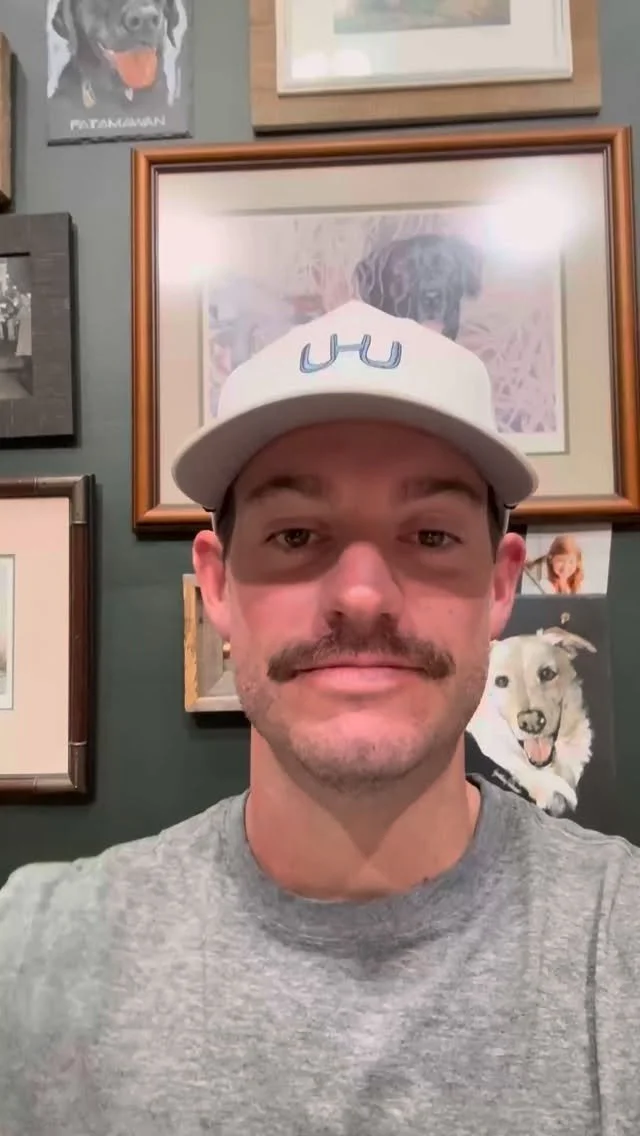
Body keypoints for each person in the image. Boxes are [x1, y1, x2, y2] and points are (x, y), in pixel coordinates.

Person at [0, 299, 638, 1135]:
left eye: (431, 536)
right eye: (298, 535)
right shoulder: (35, 953)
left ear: (499, 584)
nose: (363, 595)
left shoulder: (620, 945)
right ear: (218, 585)